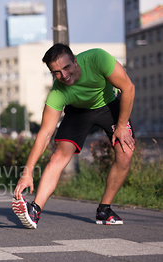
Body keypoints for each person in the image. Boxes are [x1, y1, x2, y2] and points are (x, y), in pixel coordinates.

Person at [12, 43, 135, 228]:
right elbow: (44, 134)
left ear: (75, 61)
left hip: (109, 106)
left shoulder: (98, 59)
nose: (64, 75)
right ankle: (35, 209)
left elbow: (128, 88)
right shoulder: (58, 92)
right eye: (57, 72)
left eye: (66, 67)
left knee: (125, 154)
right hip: (78, 113)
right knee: (58, 156)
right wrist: (27, 173)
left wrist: (122, 125)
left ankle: (104, 209)